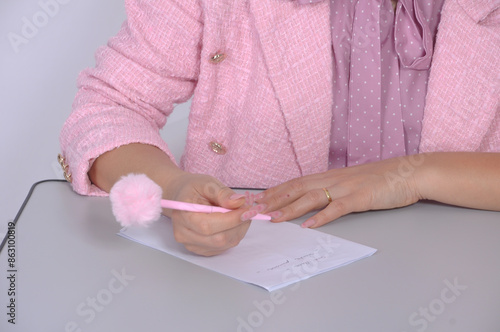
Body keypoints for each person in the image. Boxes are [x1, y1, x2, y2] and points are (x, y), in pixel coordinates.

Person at [59, 0, 500, 256]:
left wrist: (412, 176)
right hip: (255, 281)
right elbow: (108, 107)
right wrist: (173, 188)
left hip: (463, 279)